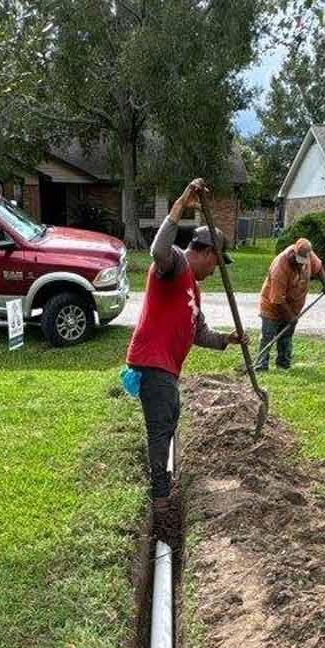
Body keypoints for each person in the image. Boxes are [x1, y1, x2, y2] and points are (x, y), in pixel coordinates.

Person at [124, 177, 241, 520]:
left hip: (167, 369)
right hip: (153, 363)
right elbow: (157, 250)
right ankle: (160, 501)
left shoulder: (194, 289)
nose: (215, 272)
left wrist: (226, 340)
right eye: (216, 264)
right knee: (160, 429)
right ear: (205, 252)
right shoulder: (175, 265)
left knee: (170, 419)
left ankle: (167, 484)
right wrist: (179, 206)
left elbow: (197, 331)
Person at [256, 235, 325, 371]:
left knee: (286, 336)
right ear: (294, 253)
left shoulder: (308, 254)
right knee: (268, 336)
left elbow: (318, 268)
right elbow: (277, 299)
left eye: (304, 262)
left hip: (294, 306)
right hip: (272, 305)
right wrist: (290, 317)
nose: (301, 264)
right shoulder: (280, 266)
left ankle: (283, 365)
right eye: (299, 261)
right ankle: (261, 365)